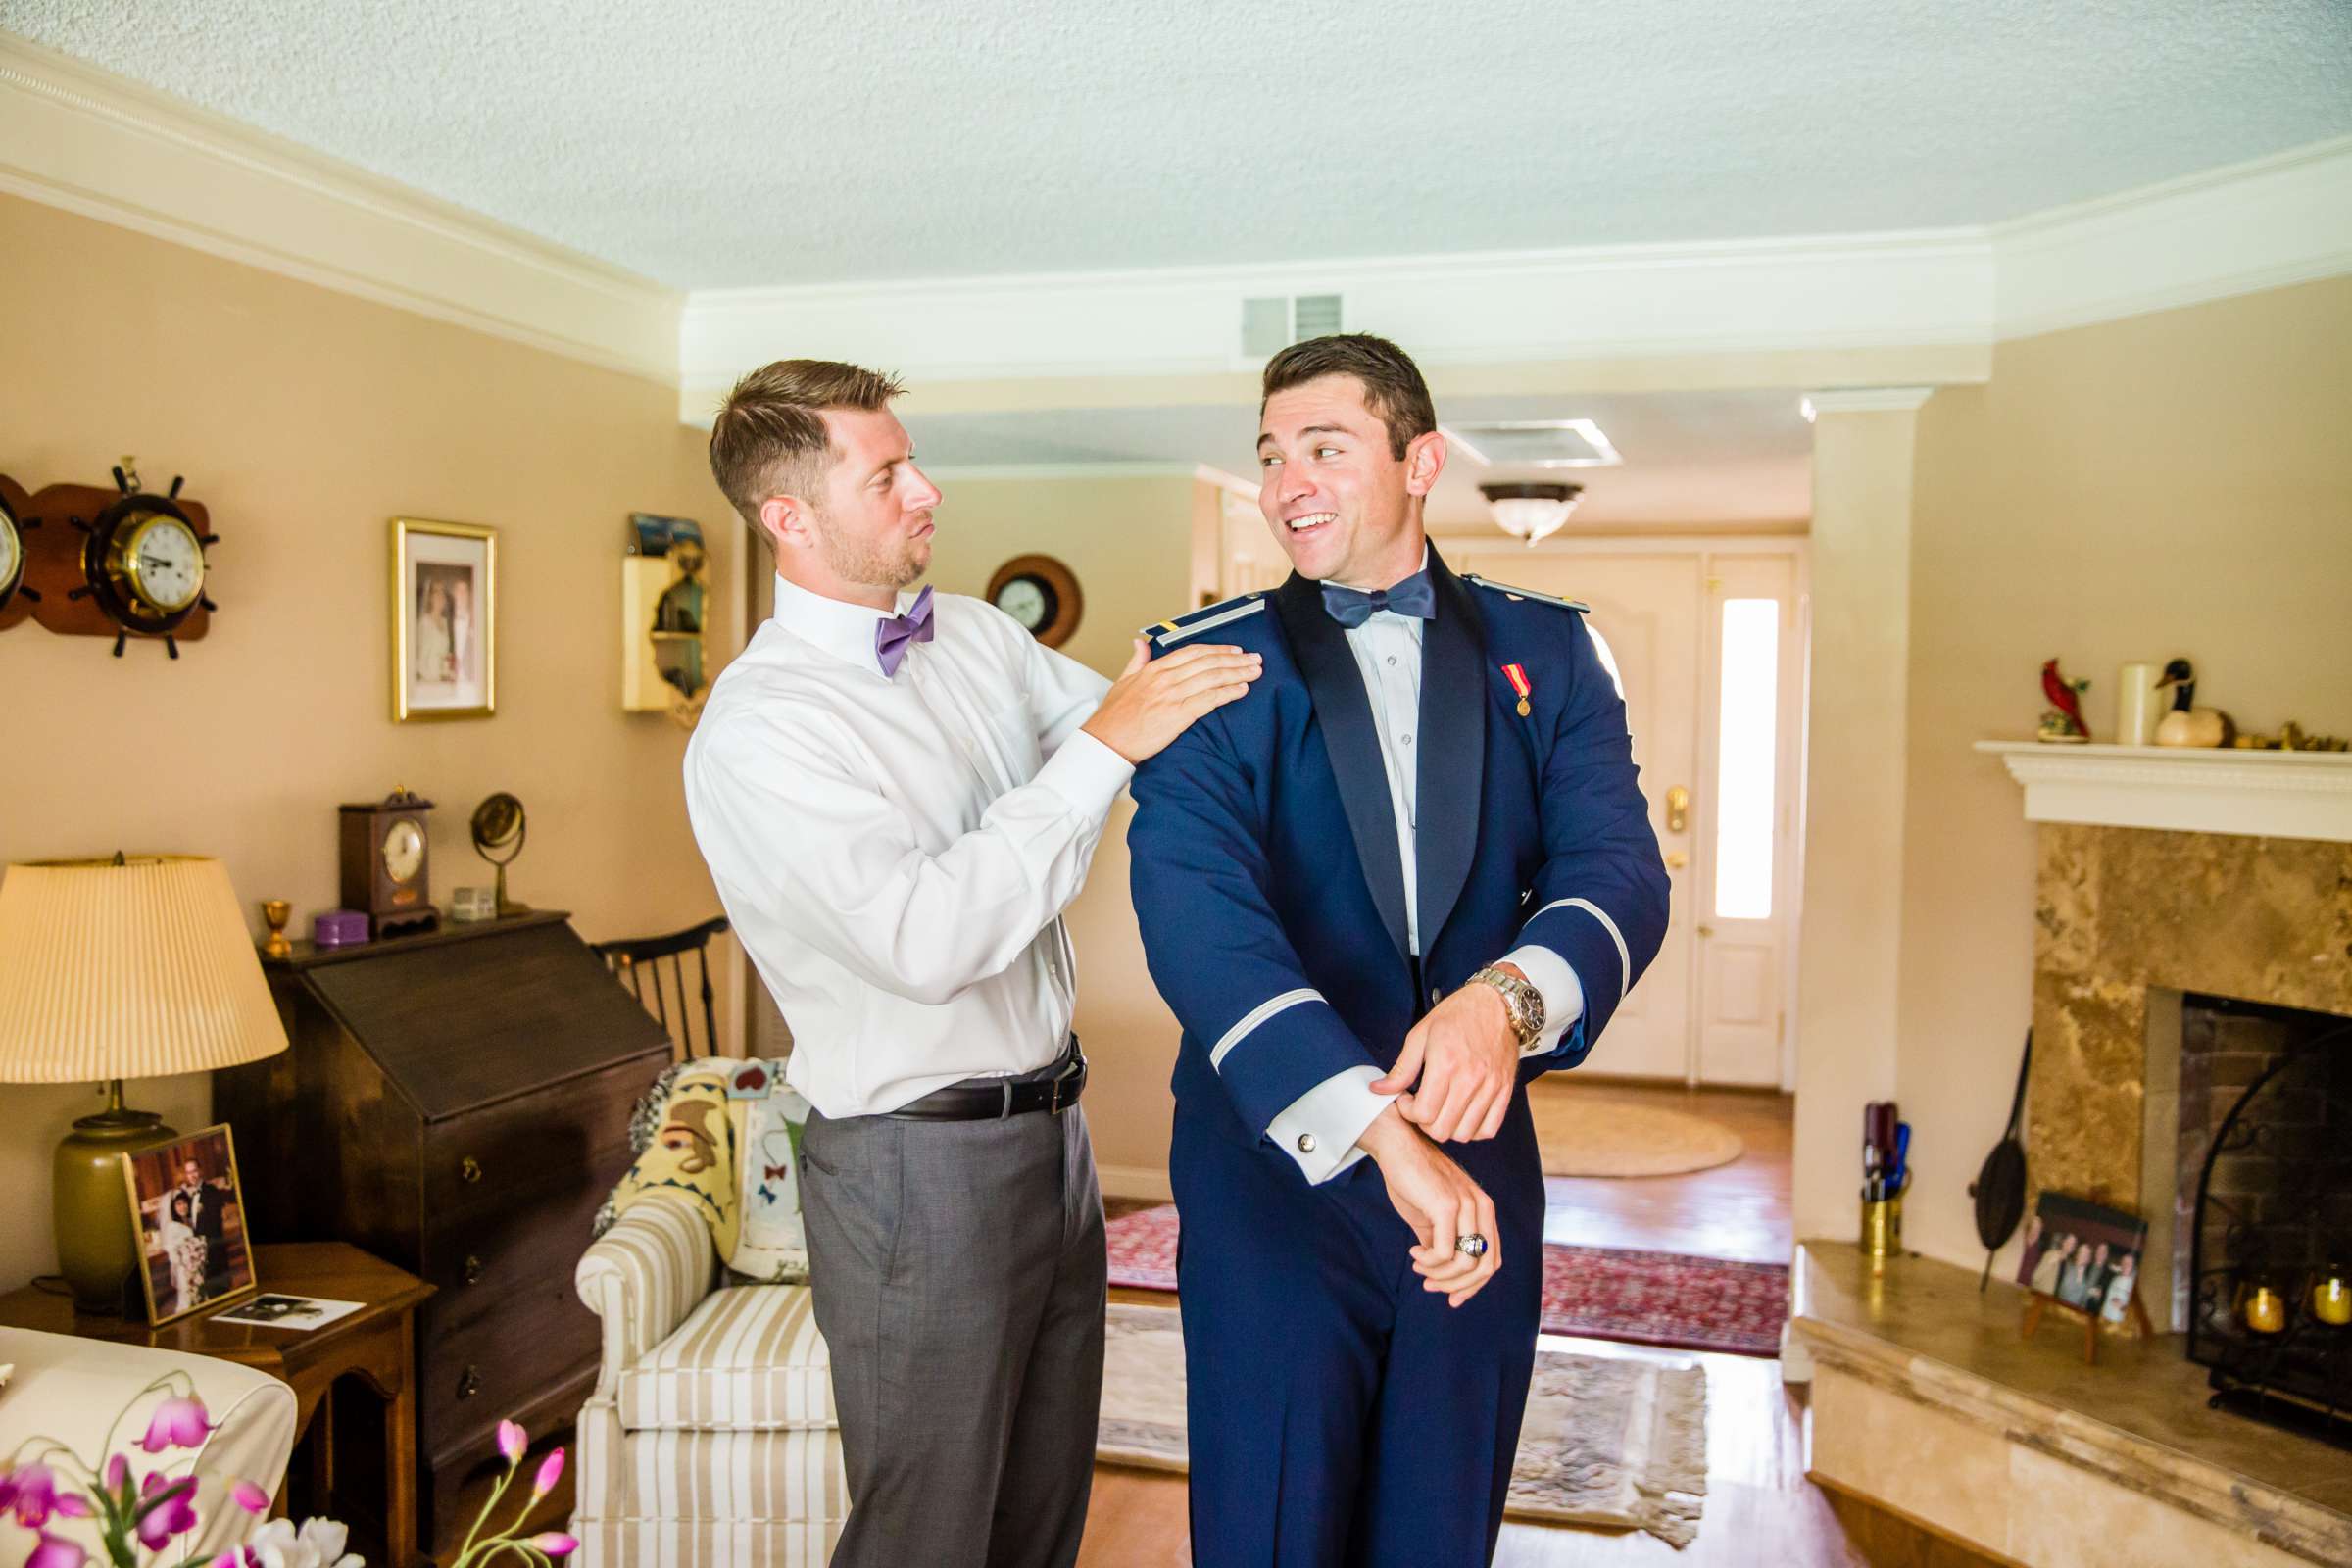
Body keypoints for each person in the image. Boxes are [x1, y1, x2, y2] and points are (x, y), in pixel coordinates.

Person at [682, 359, 1260, 1568]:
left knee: (1042, 1518)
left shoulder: (978, 636)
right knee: (926, 1537)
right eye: (887, 472)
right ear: (790, 516)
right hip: (912, 1171)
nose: (927, 488)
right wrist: (1105, 745)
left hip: (1054, 1139)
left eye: (913, 459)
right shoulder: (761, 729)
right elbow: (929, 939)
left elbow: (1148, 729)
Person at [1127, 333, 1670, 1564]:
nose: (1286, 482)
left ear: (1421, 461)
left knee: (1439, 1527)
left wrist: (1507, 1003)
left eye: (1325, 446)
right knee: (1274, 1531)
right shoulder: (1202, 664)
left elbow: (1616, 871)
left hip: (1479, 1166)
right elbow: (1201, 921)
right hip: (1270, 1174)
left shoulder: (1554, 651)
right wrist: (1380, 1135)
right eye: (1271, 455)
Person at [175, 1157, 231, 1298]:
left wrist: (200, 1247)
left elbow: (214, 1225)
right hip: (201, 1257)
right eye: (188, 1173)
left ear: (200, 1171)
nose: (192, 1176)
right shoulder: (191, 1196)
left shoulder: (211, 1191)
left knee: (220, 1294)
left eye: (194, 1171)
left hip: (213, 1253)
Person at [157, 1191, 205, 1314]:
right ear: (173, 1208)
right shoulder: (172, 1227)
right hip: (184, 1269)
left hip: (195, 1265)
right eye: (178, 1204)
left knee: (198, 1295)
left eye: (184, 1203)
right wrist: (185, 1262)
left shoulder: (188, 1221)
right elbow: (171, 1250)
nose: (182, 1207)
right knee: (187, 1298)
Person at [415, 577, 454, 683]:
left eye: (442, 592)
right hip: (428, 680)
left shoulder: (445, 623)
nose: (441, 596)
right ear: (430, 597)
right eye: (436, 592)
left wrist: (447, 672)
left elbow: (445, 654)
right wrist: (431, 679)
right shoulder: (424, 623)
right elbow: (419, 659)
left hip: (443, 679)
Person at [2099, 1252, 2137, 1323]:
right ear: (2121, 1264)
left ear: (2133, 1266)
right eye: (2124, 1262)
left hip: (2117, 1323)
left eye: (2129, 1263)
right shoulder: (2115, 1279)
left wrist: (2122, 1308)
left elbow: (2135, 1312)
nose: (2126, 1265)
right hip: (2104, 1317)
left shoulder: (2134, 1285)